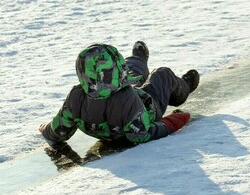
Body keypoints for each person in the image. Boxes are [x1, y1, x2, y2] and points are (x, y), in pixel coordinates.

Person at [39, 41, 200, 146]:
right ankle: (184, 86)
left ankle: (138, 59)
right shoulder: (127, 99)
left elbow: (59, 131)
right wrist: (173, 121)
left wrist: (45, 130)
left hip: (120, 107)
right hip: (148, 106)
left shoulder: (77, 96)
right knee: (162, 76)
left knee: (132, 74)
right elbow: (142, 135)